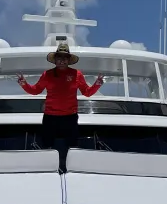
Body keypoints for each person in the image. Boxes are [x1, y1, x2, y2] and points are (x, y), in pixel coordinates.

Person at [18, 41, 104, 169]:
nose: (62, 60)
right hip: (50, 117)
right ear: (55, 60)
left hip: (70, 117)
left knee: (72, 146)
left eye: (65, 58)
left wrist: (97, 84)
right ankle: (46, 169)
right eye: (59, 57)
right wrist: (24, 84)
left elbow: (87, 92)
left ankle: (71, 169)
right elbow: (35, 90)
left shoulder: (77, 74)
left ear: (69, 60)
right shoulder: (47, 74)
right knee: (47, 146)